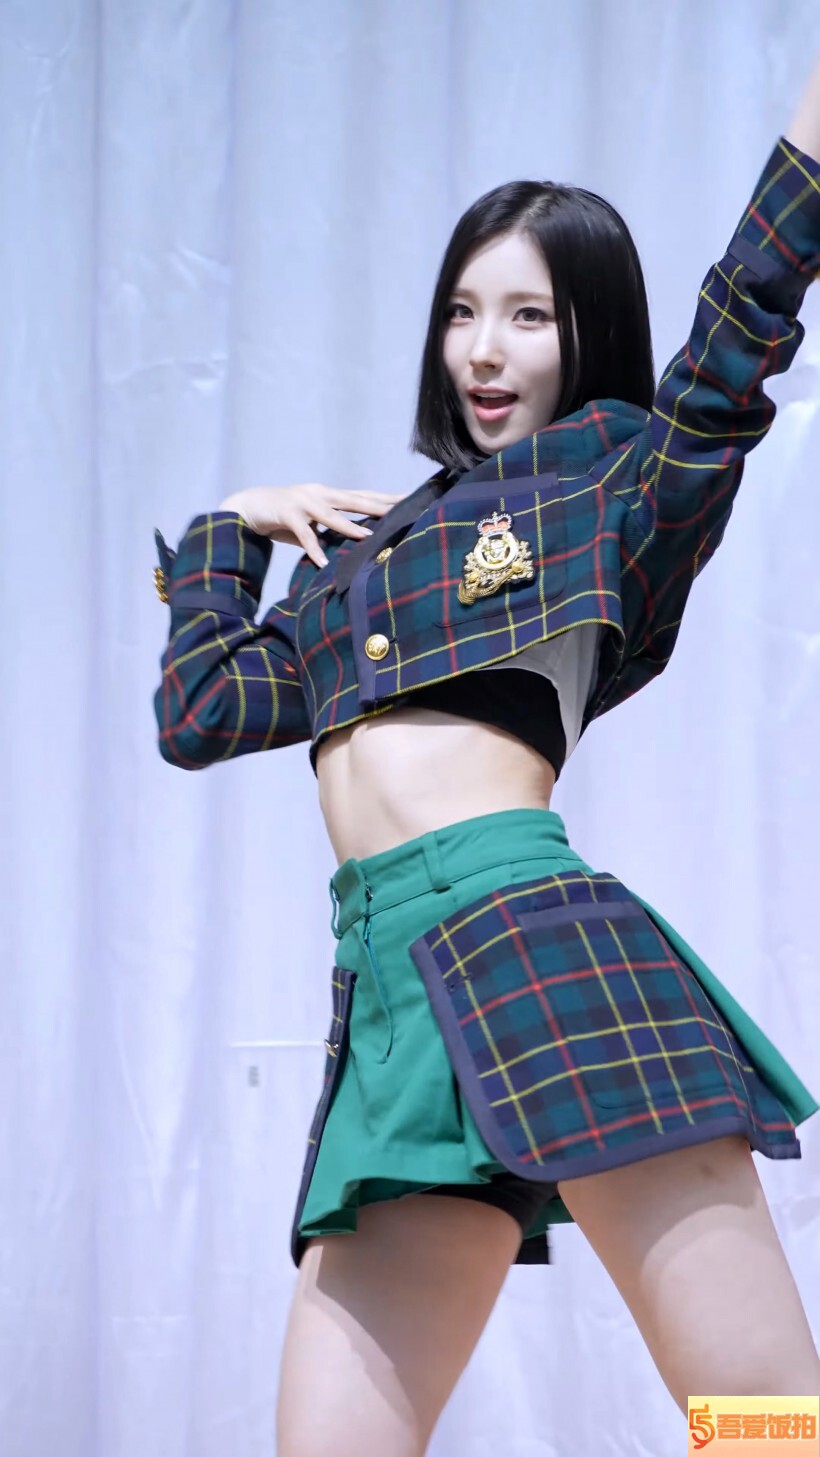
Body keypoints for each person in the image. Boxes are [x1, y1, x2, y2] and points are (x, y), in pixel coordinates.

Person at [153, 54, 820, 1457]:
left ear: (587, 333)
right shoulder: (358, 563)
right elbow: (201, 711)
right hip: (389, 996)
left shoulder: (616, 484)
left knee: (763, 1425)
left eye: (528, 314)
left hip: (533, 938)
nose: (484, 349)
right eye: (463, 311)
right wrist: (230, 525)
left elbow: (738, 327)